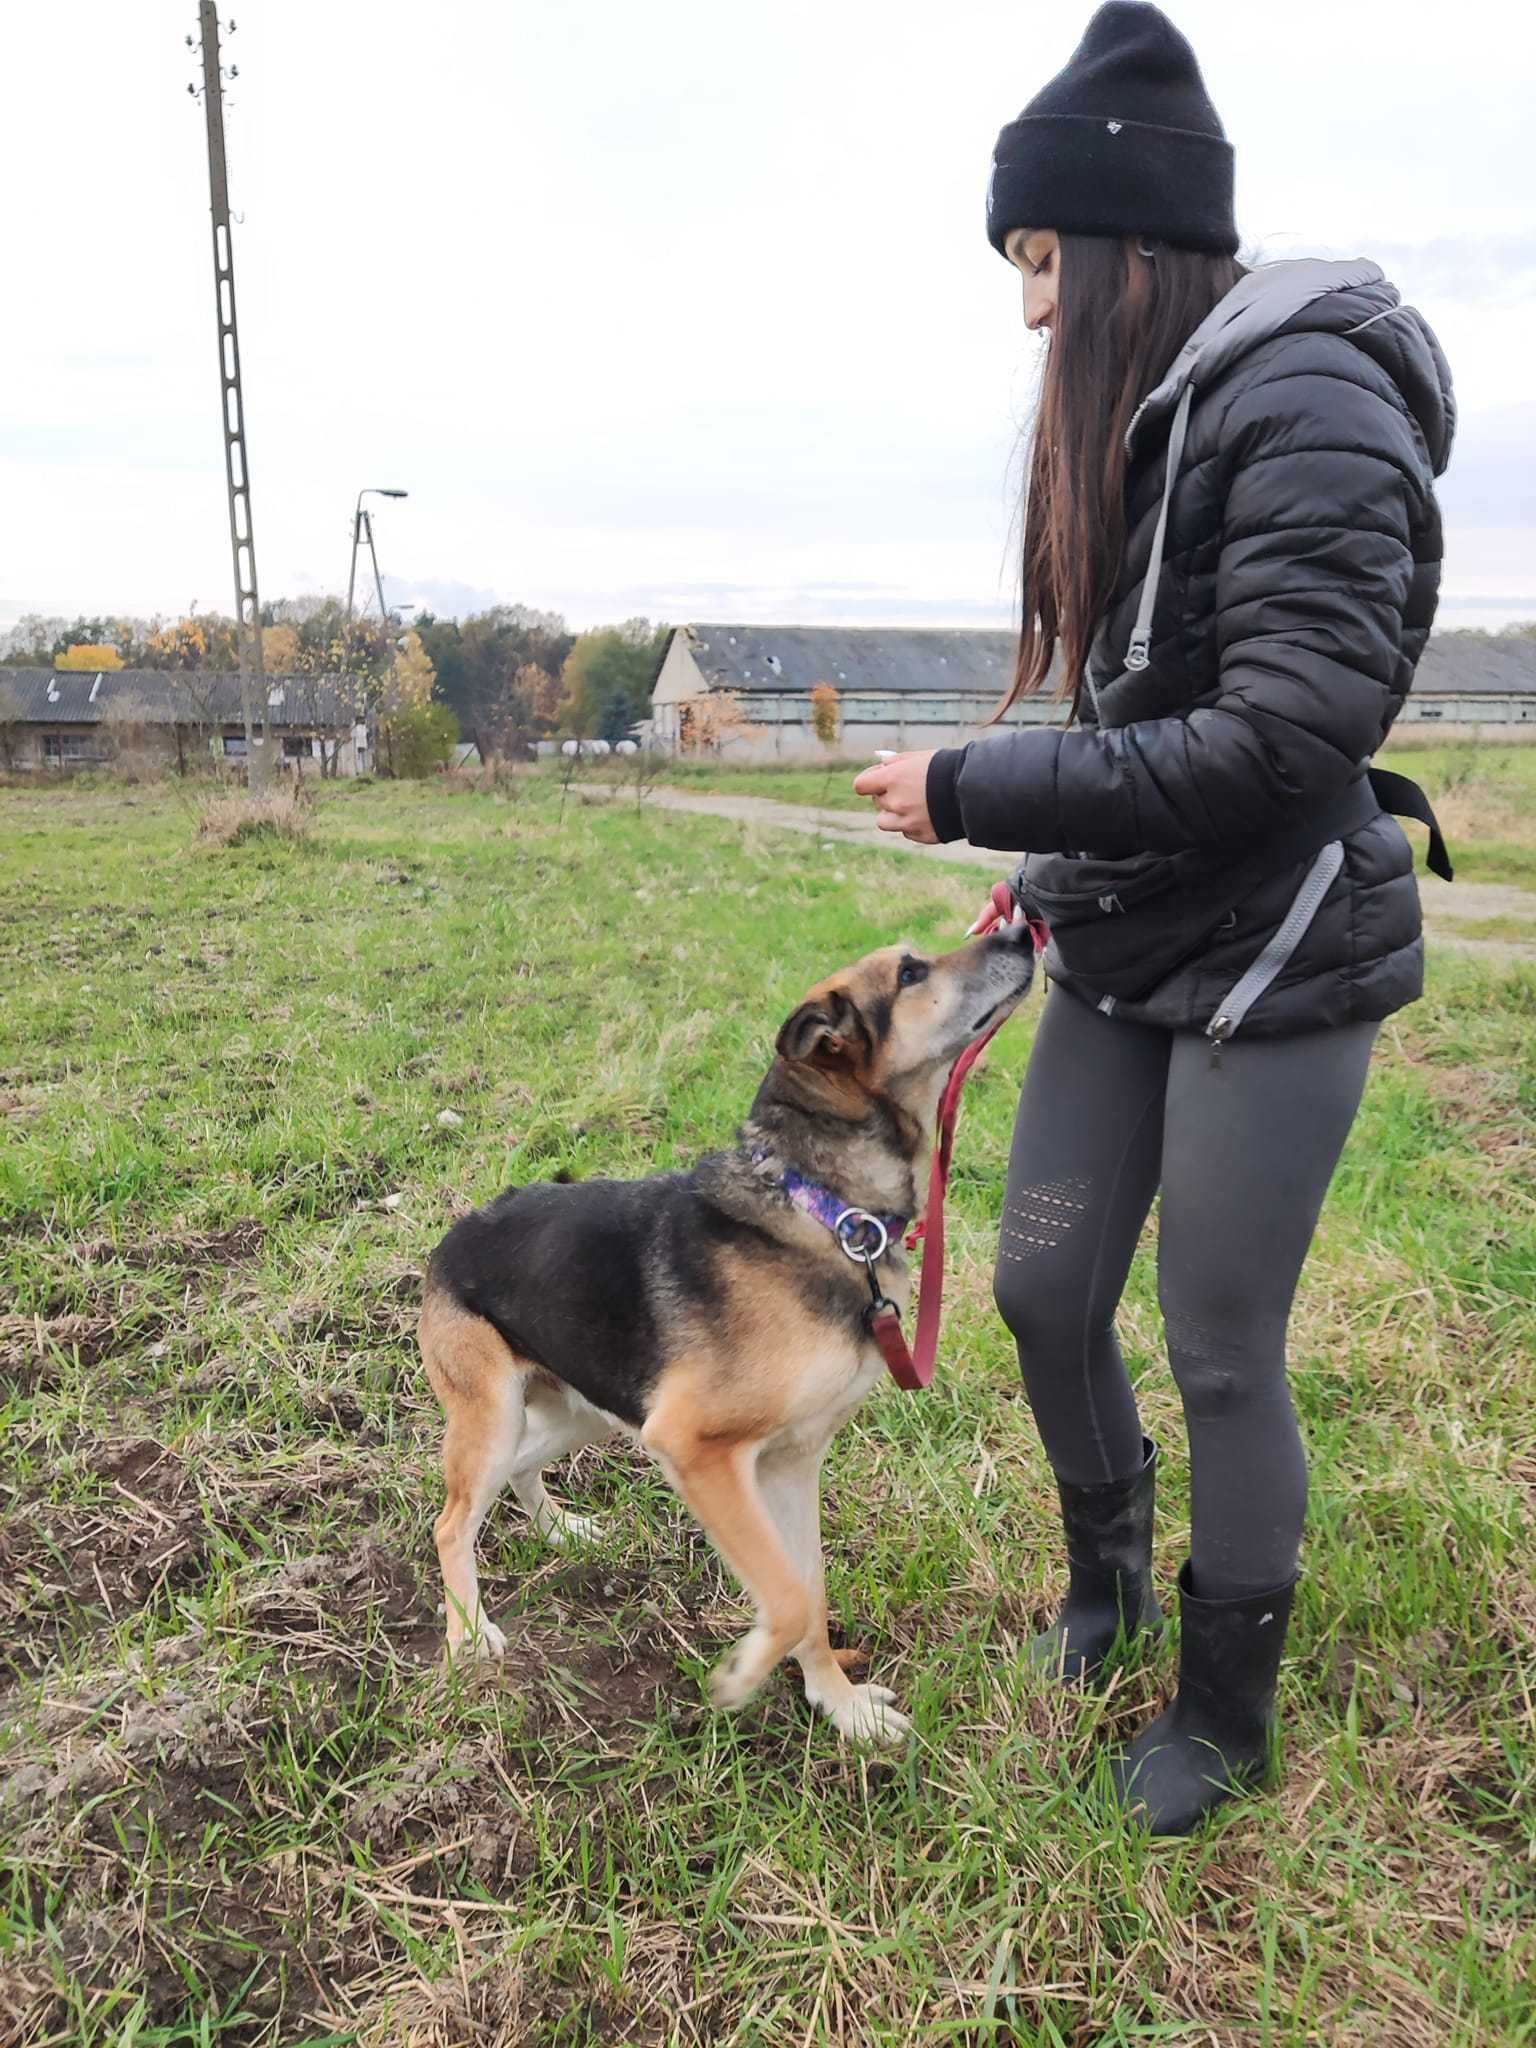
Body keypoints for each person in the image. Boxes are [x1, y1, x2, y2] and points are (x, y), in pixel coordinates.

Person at [853, 0, 1453, 1834]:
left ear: (1126, 240)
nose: (1032, 308)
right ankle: (1104, 1584)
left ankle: (1224, 1702)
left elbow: (1283, 740)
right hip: (1128, 930)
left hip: (1279, 953)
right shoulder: (1159, 410)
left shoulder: (1316, 396)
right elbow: (1139, 712)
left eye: (1040, 261)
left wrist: (979, 784)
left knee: (1216, 1341)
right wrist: (1034, 871)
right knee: (1040, 1284)